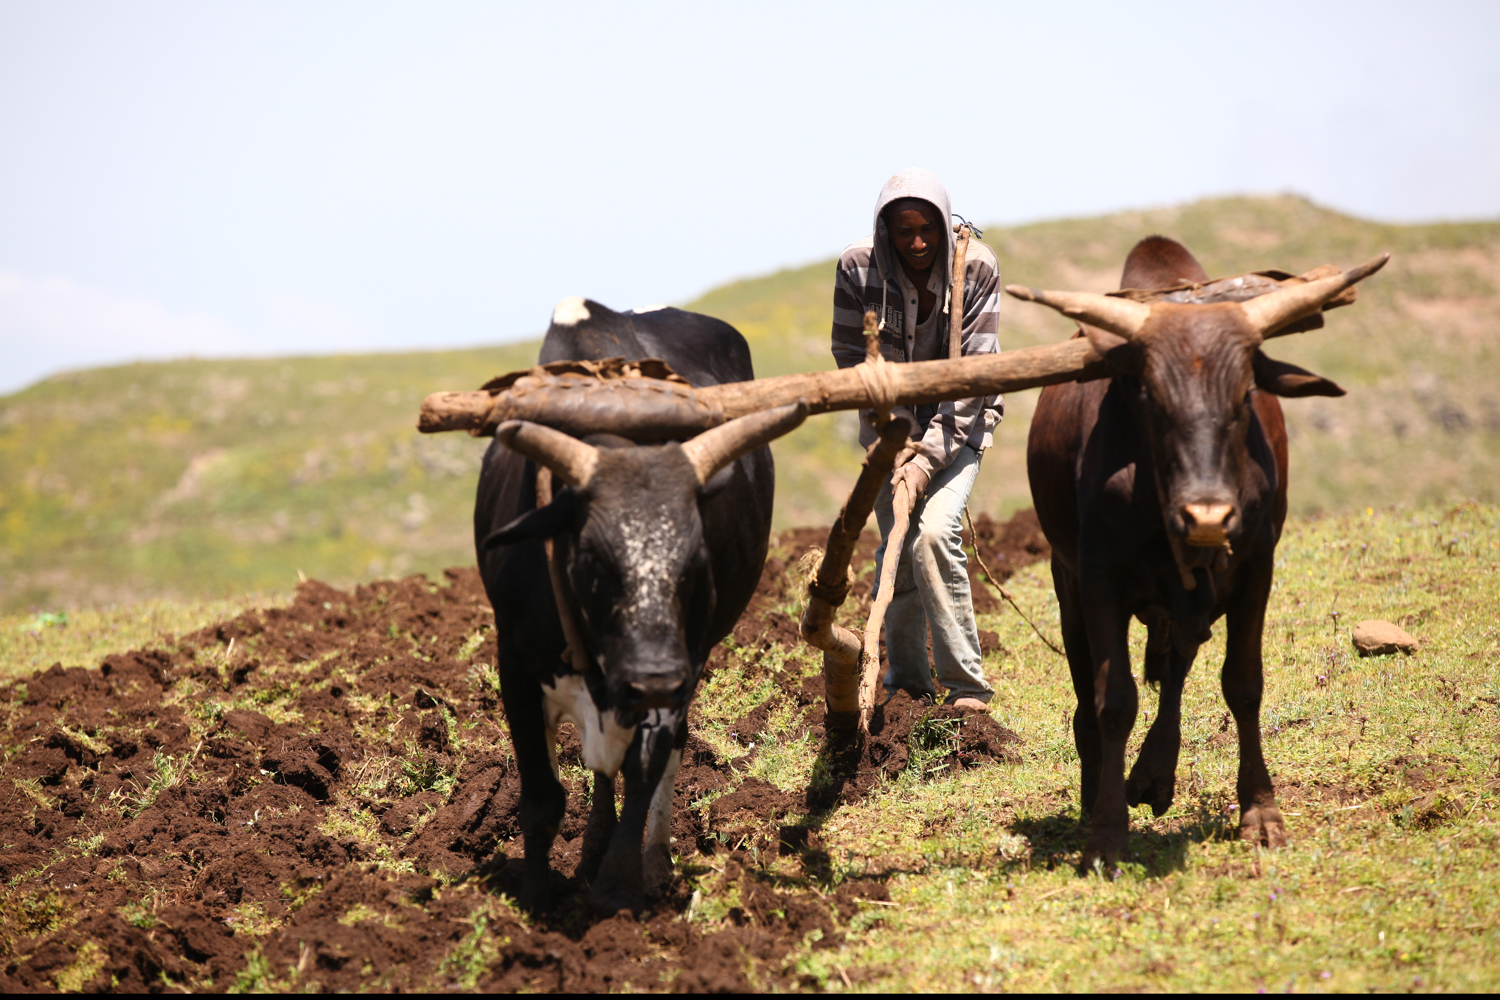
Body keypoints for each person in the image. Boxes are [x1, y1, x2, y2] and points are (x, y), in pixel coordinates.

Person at [830, 167, 1002, 711]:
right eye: (904, 231)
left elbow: (974, 377)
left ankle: (966, 689)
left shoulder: (975, 266)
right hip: (888, 429)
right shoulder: (858, 268)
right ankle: (906, 686)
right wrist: (899, 442)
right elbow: (851, 357)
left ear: (945, 224)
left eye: (928, 228)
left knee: (933, 535)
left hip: (961, 420)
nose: (919, 243)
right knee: (898, 549)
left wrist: (925, 462)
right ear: (885, 231)